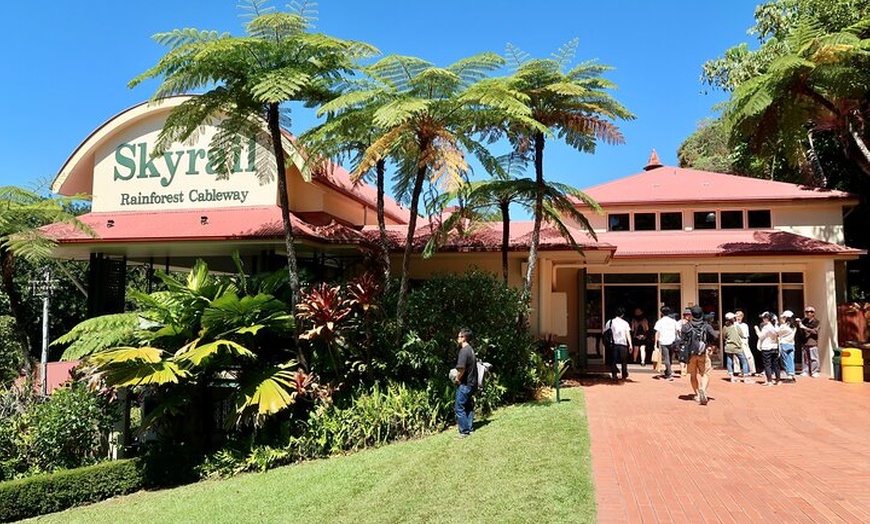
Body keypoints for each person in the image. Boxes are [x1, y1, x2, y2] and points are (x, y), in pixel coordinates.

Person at [682, 305, 719, 405]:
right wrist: (710, 345)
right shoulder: (706, 325)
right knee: (705, 373)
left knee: (693, 375)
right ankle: (703, 389)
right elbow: (716, 336)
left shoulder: (686, 326)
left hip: (691, 354)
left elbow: (682, 340)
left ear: (691, 315)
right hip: (703, 352)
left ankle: (697, 394)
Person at [452, 327, 478, 438]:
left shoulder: (463, 351)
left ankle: (464, 432)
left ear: (464, 338)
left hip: (465, 384)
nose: (457, 338)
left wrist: (457, 378)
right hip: (472, 383)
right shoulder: (470, 349)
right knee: (467, 406)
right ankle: (470, 428)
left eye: (459, 336)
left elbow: (461, 368)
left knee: (459, 407)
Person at [605, 307, 632, 380]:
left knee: (614, 360)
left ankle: (614, 374)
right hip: (623, 343)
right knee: (624, 360)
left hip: (613, 344)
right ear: (622, 315)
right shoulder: (625, 323)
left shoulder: (610, 322)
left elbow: (605, 332)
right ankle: (624, 374)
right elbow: (628, 334)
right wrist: (630, 345)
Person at [755, 312, 781, 386]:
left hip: (767, 347)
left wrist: (757, 330)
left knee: (767, 364)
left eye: (764, 318)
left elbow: (761, 336)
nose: (763, 320)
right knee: (776, 364)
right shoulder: (775, 327)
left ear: (767, 319)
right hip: (775, 346)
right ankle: (778, 380)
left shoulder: (766, 327)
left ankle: (769, 381)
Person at [723, 312, 750, 383]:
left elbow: (724, 336)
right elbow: (742, 335)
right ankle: (746, 377)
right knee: (744, 361)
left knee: (729, 362)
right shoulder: (736, 326)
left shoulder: (725, 327)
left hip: (729, 346)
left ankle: (732, 377)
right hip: (737, 347)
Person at [653, 306, 678, 381]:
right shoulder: (673, 321)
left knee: (666, 357)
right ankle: (668, 371)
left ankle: (669, 373)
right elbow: (678, 330)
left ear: (661, 313)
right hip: (672, 341)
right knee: (670, 357)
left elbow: (657, 332)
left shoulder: (659, 322)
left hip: (663, 341)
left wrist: (655, 343)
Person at [797, 306, 821, 377]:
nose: (808, 313)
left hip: (812, 342)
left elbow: (815, 331)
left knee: (814, 358)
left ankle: (815, 371)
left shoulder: (817, 322)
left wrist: (805, 328)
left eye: (810, 312)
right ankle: (805, 371)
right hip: (804, 342)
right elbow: (800, 330)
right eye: (806, 312)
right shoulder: (803, 321)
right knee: (805, 358)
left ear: (813, 313)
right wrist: (799, 323)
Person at [734, 310, 757, 376]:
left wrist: (746, 343)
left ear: (742, 317)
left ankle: (752, 370)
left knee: (749, 356)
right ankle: (736, 370)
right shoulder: (734, 325)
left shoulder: (745, 325)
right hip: (736, 342)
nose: (738, 318)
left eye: (740, 316)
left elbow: (747, 335)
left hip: (744, 342)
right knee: (736, 357)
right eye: (737, 316)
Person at [778, 310, 798, 381]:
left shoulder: (783, 327)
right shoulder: (794, 326)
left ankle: (789, 375)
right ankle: (791, 374)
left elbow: (778, 333)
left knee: (784, 360)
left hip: (784, 344)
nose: (782, 319)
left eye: (783, 317)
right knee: (791, 359)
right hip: (791, 344)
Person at [675, 307, 692, 377]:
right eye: (686, 314)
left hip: (689, 342)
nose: (688, 316)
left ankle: (687, 370)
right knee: (681, 356)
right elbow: (678, 331)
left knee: (689, 356)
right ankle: (682, 370)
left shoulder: (691, 323)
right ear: (684, 315)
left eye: (689, 315)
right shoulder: (679, 322)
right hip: (681, 341)